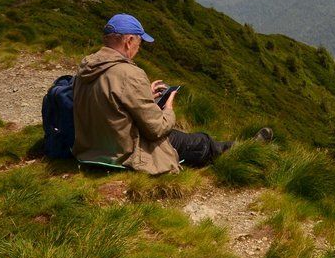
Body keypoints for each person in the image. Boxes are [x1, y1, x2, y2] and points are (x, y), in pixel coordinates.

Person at [72, 13, 270, 174]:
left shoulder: (87, 67)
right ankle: (244, 151)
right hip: (123, 153)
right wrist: (168, 109)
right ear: (128, 41)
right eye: (139, 44)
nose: (138, 49)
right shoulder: (130, 74)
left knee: (187, 137)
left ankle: (236, 148)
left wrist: (144, 93)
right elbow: (156, 129)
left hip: (91, 150)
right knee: (201, 141)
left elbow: (108, 99)